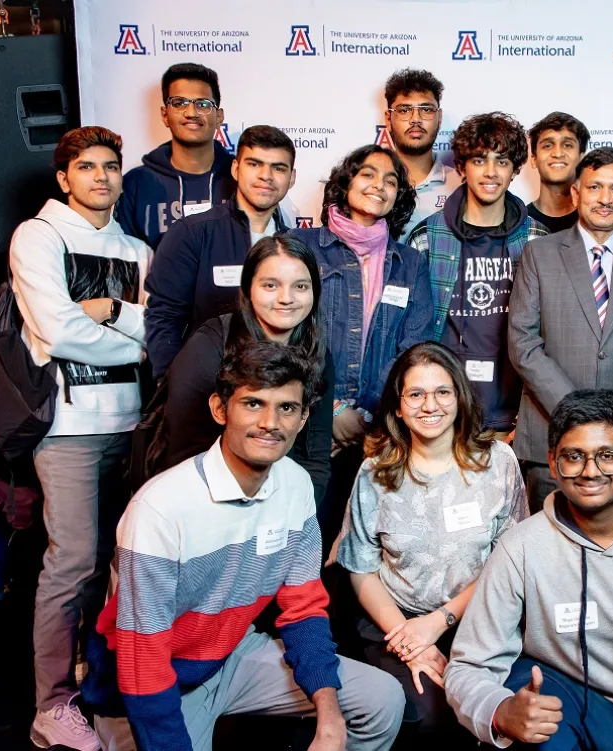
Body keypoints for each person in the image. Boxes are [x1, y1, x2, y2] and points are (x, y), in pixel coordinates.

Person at [86, 342, 405, 751]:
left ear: (304, 417)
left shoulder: (294, 485)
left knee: (380, 699)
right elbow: (142, 661)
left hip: (228, 655)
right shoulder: (160, 509)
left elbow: (303, 610)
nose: (270, 422)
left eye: (287, 408)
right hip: (149, 685)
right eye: (253, 404)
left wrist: (330, 718)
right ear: (220, 410)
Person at [444, 389, 613, 750]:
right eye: (574, 457)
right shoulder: (520, 548)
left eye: (608, 456)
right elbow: (468, 666)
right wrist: (499, 712)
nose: (591, 472)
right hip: (561, 706)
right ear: (552, 461)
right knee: (532, 705)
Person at [9, 126, 151, 751]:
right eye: (86, 167)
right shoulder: (37, 236)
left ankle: (102, 688)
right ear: (64, 178)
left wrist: (116, 315)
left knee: (126, 566)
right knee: (72, 563)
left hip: (133, 425)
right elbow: (60, 331)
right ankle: (52, 706)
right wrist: (131, 335)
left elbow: (159, 334)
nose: (101, 176)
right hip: (67, 429)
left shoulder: (138, 250)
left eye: (111, 166)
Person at [334, 342, 527, 747]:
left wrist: (439, 622)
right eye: (416, 394)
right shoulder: (375, 471)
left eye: (442, 392)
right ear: (398, 406)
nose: (430, 405)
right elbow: (360, 568)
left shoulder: (498, 462)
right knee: (426, 715)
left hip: (478, 618)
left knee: (486, 711)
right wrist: (409, 639)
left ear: (459, 397)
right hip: (393, 619)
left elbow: (509, 564)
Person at [509, 147, 613, 509]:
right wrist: (574, 412)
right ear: (576, 193)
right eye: (594, 188)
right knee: (549, 550)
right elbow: (523, 342)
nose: (605, 199)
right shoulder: (539, 254)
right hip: (551, 432)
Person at [288, 143, 433, 548]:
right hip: (308, 424)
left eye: (391, 181)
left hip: (378, 432)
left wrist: (370, 414)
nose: (379, 186)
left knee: (361, 548)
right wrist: (328, 409)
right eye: (368, 174)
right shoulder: (303, 247)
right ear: (346, 182)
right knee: (298, 543)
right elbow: (287, 334)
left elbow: (414, 346)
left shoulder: (408, 263)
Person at [158, 236, 332, 503]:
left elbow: (315, 455)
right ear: (249, 288)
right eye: (271, 285)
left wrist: (301, 516)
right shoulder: (211, 345)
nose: (286, 298)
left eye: (300, 286)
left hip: (282, 499)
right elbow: (183, 451)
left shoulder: (316, 351)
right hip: (209, 500)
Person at [408, 112, 547, 440]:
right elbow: (411, 333)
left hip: (514, 416)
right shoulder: (428, 236)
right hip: (444, 415)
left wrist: (530, 419)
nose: (490, 172)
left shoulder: (537, 239)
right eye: (479, 160)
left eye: (501, 161)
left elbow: (549, 337)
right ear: (461, 167)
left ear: (514, 170)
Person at [145, 125, 296, 378]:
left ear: (291, 178)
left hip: (275, 393)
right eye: (254, 164)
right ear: (236, 169)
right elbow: (164, 319)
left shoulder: (295, 243)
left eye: (278, 168)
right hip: (204, 389)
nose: (266, 176)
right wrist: (174, 387)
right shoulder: (192, 232)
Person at [116, 63, 236, 249]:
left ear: (219, 117)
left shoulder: (242, 179)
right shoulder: (136, 184)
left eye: (203, 104)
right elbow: (125, 260)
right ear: (165, 115)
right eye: (179, 103)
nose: (191, 113)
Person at [381, 68, 463, 237]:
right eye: (404, 110)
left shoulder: (461, 186)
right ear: (388, 120)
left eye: (426, 109)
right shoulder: (371, 186)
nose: (416, 119)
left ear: (439, 119)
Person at [526, 111, 590, 234]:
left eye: (567, 145)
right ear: (534, 160)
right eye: (548, 146)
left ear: (582, 159)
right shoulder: (518, 224)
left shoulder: (597, 221)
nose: (558, 153)